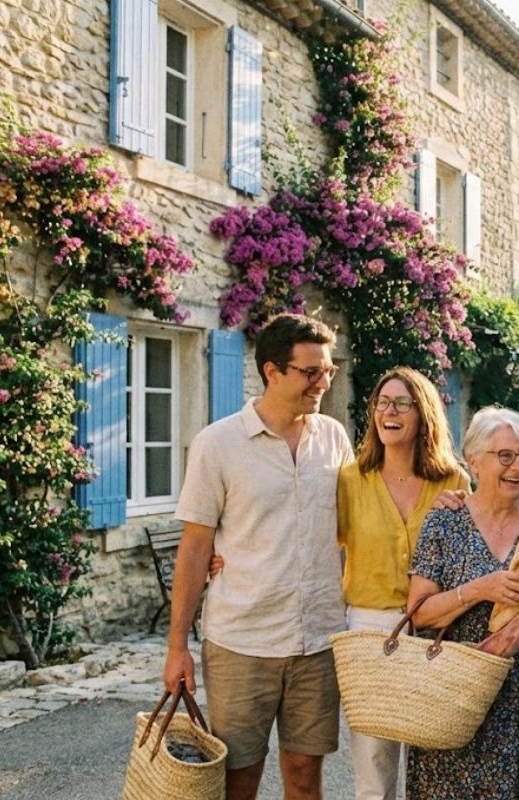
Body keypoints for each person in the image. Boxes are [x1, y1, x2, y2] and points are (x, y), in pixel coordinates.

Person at [163, 313, 353, 800]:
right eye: (311, 372)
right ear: (272, 370)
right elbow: (195, 547)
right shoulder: (217, 444)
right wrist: (177, 646)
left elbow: (360, 519)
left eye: (327, 371)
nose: (322, 382)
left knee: (307, 777)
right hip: (241, 641)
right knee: (238, 780)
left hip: (318, 640)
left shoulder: (333, 437)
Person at [406, 406, 519, 800]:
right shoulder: (444, 523)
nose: (517, 466)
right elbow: (417, 614)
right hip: (455, 693)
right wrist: (481, 589)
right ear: (474, 462)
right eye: (505, 456)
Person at [337, 367, 469, 800]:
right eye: (382, 402)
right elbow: (315, 540)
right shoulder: (351, 479)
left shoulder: (453, 482)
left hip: (437, 626)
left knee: (436, 754)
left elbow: (472, 554)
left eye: (401, 403)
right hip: (370, 628)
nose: (388, 411)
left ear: (423, 414)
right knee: (373, 761)